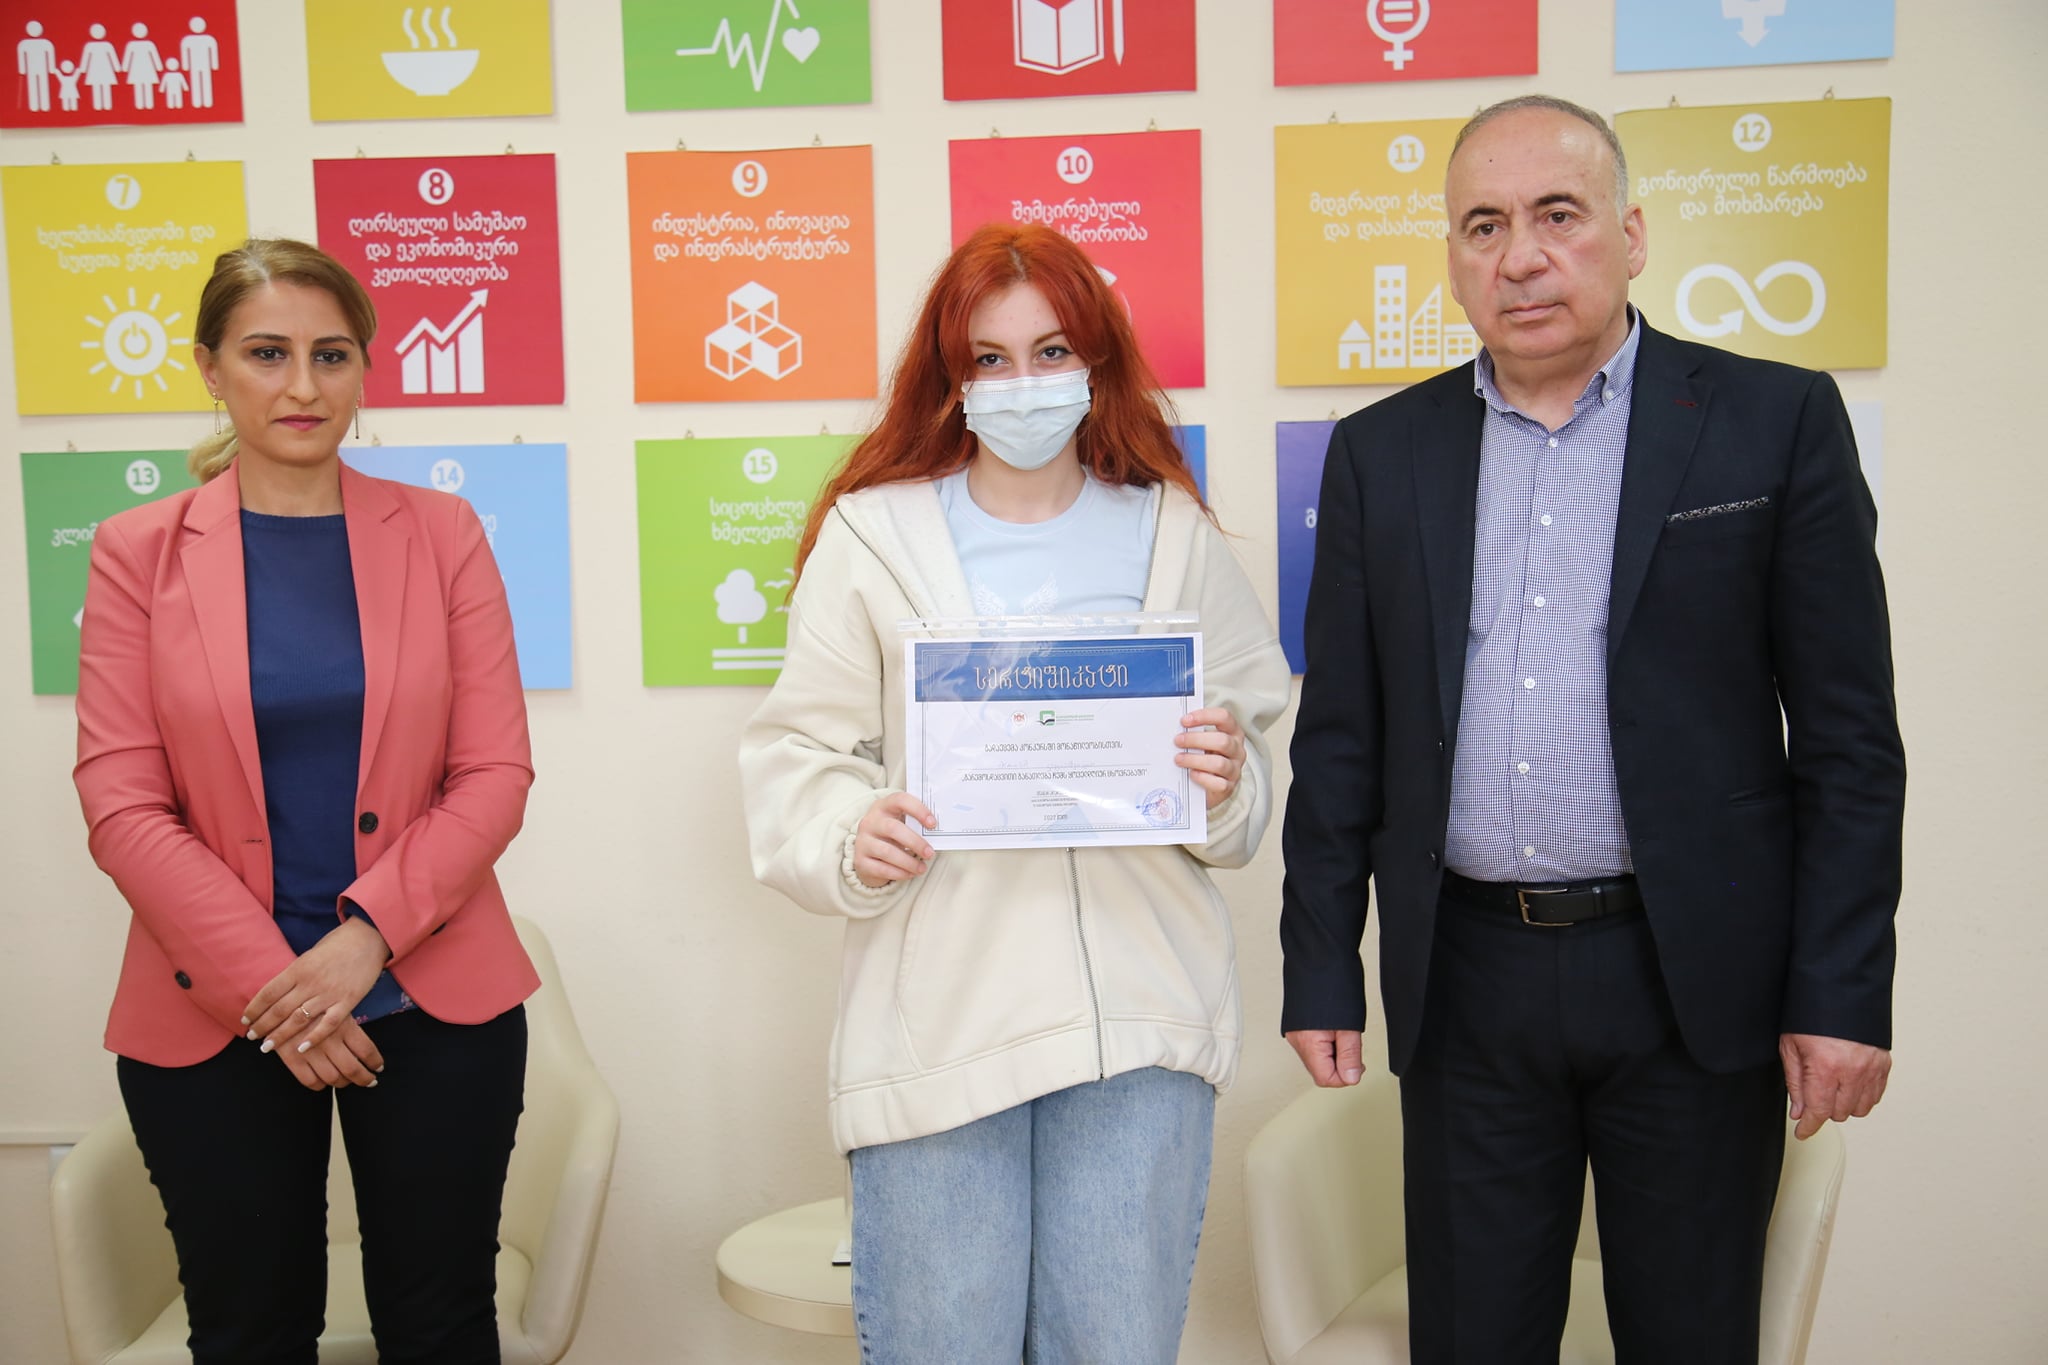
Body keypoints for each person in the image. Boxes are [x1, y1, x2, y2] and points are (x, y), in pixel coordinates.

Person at [1279, 94, 1904, 1364]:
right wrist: (1319, 964)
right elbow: (1341, 736)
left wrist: (1840, 992)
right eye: (1482, 226)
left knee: (1687, 1337)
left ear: (1630, 235)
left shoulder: (1770, 421)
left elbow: (1847, 744)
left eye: (1556, 216)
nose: (1519, 256)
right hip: (1466, 985)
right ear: (1451, 258)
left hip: (1690, 980)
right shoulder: (1379, 454)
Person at [741, 223, 1290, 1363]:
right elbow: (799, 754)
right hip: (941, 1027)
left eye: (1050, 352)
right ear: (952, 377)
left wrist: (1223, 781)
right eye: (989, 358)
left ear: (1095, 362)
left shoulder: (1170, 535)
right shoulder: (874, 536)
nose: (1023, 382)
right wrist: (852, 831)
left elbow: (1247, 752)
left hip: (1138, 1028)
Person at [74, 238, 537, 1365]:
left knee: (441, 1330)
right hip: (213, 1009)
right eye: (266, 353)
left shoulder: (442, 534)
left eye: (331, 355)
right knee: (249, 1334)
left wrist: (361, 943)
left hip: (431, 998)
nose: (302, 386)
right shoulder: (137, 552)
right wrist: (278, 990)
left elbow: (494, 774)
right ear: (209, 367)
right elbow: (120, 800)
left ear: (364, 370)